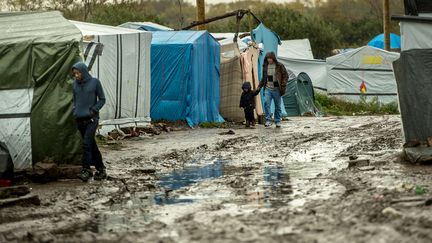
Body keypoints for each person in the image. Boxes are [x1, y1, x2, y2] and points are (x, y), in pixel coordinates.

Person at [72, 62, 107, 182]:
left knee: (86, 144)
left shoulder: (95, 82)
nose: (76, 75)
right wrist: (75, 111)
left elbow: (102, 99)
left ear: (84, 71)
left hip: (92, 119)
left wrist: (94, 110)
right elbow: (75, 101)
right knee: (91, 145)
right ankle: (101, 169)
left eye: (78, 73)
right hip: (79, 119)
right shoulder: (75, 85)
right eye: (74, 73)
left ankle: (86, 170)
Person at [260, 52, 288, 128]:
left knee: (278, 106)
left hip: (277, 89)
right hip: (268, 88)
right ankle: (268, 120)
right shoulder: (265, 66)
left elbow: (285, 75)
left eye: (270, 58)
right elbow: (264, 78)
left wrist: (283, 84)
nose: (269, 60)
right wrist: (259, 86)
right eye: (268, 58)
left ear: (273, 58)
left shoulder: (279, 65)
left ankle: (277, 121)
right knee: (266, 103)